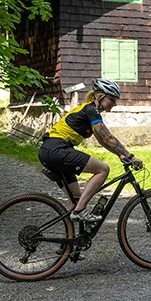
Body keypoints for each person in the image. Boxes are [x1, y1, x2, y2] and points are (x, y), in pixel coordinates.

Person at [38, 78, 143, 224]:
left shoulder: (89, 111)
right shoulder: (91, 110)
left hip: (49, 150)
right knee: (103, 169)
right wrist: (130, 156)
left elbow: (102, 141)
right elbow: (108, 137)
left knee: (75, 200)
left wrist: (120, 154)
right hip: (57, 149)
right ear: (100, 97)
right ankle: (80, 211)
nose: (114, 103)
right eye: (112, 99)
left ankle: (68, 236)